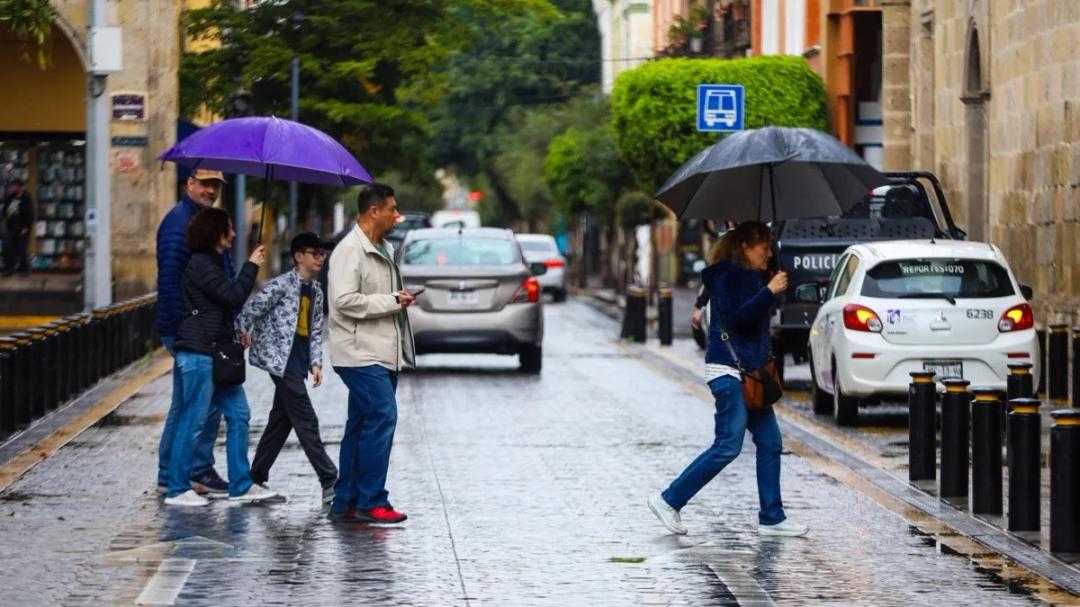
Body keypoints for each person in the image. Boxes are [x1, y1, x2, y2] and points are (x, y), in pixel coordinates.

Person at [648, 221, 808, 537]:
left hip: (751, 373)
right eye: (764, 248)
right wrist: (768, 291)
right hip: (729, 371)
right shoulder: (728, 276)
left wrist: (771, 283)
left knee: (771, 442)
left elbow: (759, 312)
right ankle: (668, 500)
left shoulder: (751, 276)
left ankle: (772, 518)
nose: (767, 253)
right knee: (728, 445)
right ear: (746, 247)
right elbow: (739, 319)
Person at [165, 207, 276, 506]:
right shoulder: (201, 264)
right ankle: (176, 488)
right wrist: (251, 266)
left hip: (217, 353)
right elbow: (232, 296)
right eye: (229, 228)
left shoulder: (213, 263)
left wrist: (235, 330)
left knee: (239, 414)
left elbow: (224, 306)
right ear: (217, 233)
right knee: (194, 420)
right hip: (199, 354)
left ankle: (240, 483)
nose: (235, 234)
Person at [326, 183, 416, 524]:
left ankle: (346, 500)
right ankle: (371, 500)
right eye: (392, 209)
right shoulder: (350, 250)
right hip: (359, 352)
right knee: (382, 417)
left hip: (382, 350)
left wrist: (398, 297)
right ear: (372, 212)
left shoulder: (385, 248)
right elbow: (343, 301)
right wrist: (393, 301)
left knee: (361, 423)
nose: (397, 215)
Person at [236, 232, 338, 503]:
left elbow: (315, 329)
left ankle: (254, 478)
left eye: (322, 253)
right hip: (280, 363)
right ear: (298, 256)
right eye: (314, 253)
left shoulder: (315, 290)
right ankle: (329, 480)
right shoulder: (280, 285)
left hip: (298, 363)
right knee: (306, 420)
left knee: (280, 422)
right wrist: (241, 332)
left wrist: (316, 362)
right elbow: (250, 310)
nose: (320, 258)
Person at [155, 169, 232, 497]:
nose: (210, 190)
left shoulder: (201, 221)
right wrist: (179, 330)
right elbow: (170, 279)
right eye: (204, 183)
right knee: (204, 404)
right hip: (191, 330)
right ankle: (195, 469)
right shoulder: (179, 223)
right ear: (189, 183)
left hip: (198, 328)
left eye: (215, 185)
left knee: (184, 403)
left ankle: (169, 472)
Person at [1, 178, 33, 277]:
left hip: (22, 228)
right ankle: (9, 269)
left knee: (21, 249)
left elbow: (30, 214)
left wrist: (26, 227)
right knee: (8, 249)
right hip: (10, 227)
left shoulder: (26, 198)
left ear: (20, 187)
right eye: (12, 186)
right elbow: (5, 210)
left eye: (14, 186)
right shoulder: (10, 197)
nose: (12, 188)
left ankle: (24, 269)